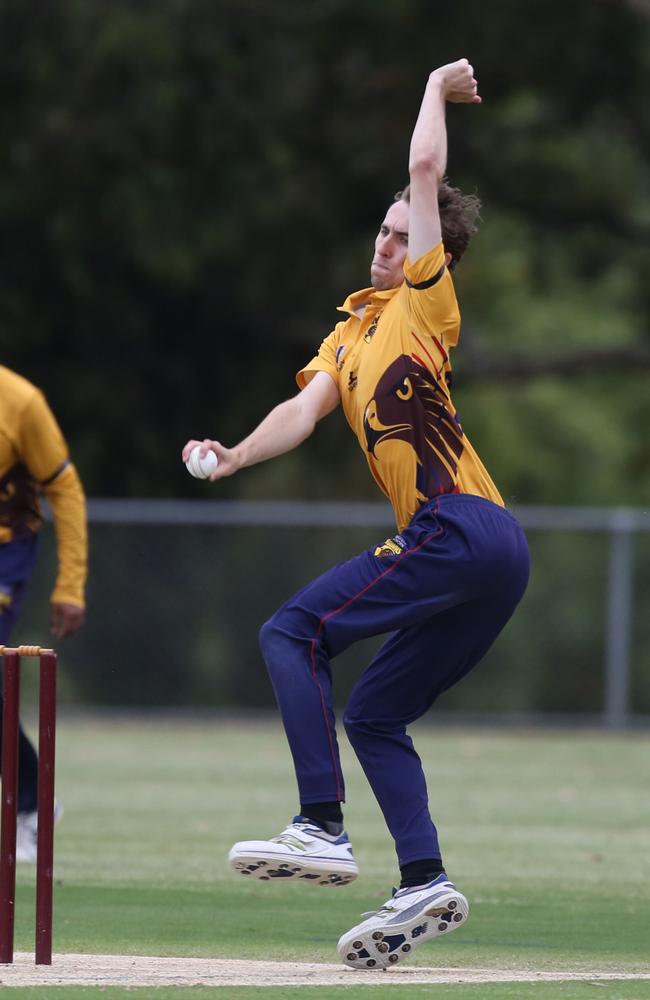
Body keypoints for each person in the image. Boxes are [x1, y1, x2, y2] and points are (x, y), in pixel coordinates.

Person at [182, 58, 530, 970]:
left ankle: (321, 824)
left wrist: (430, 87)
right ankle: (423, 879)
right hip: (490, 552)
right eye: (380, 231)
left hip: (460, 527)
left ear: (429, 250)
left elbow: (424, 170)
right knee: (375, 711)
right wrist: (233, 454)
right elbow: (301, 413)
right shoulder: (353, 330)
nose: (384, 242)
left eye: (400, 231)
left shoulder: (425, 301)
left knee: (291, 632)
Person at [0, 364, 87, 860]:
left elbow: (65, 489)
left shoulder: (21, 402)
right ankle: (31, 798)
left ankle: (32, 802)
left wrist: (70, 584)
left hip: (7, 548)